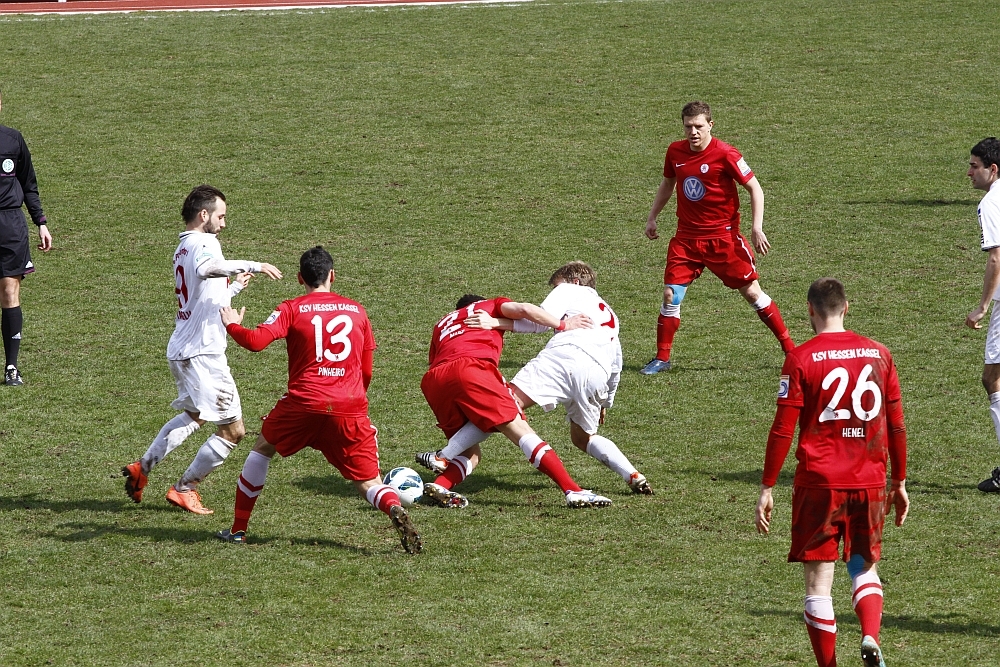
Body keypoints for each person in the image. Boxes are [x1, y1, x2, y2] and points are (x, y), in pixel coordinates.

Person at [213, 246, 421, 554]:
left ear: (300, 279)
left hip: (303, 403)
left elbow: (256, 342)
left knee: (262, 449)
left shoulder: (291, 308)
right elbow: (366, 371)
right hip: (349, 406)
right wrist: (352, 401)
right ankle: (392, 504)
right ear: (332, 276)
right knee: (366, 481)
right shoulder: (357, 311)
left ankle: (239, 531)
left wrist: (231, 323)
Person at [755, 278, 908, 667]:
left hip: (819, 483)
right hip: (870, 481)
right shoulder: (880, 353)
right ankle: (870, 636)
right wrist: (900, 481)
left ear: (810, 310)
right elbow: (896, 425)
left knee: (818, 584)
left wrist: (767, 486)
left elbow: (782, 429)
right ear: (847, 307)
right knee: (863, 565)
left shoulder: (801, 358)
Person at [419, 262, 651, 495]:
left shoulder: (569, 289)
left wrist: (498, 322)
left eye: (556, 285)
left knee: (507, 404)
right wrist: (605, 402)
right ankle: (633, 475)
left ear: (575, 281)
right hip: (598, 372)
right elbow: (616, 363)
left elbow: (537, 321)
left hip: (565, 355)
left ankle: (443, 456)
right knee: (584, 438)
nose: (554, 289)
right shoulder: (610, 314)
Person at [122, 185, 282, 515]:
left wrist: (234, 288)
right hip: (203, 355)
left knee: (195, 415)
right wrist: (253, 263)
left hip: (183, 348)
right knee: (233, 430)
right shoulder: (205, 242)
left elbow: (202, 296)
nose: (223, 224)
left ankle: (143, 467)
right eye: (221, 216)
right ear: (204, 215)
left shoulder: (183, 247)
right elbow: (207, 270)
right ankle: (185, 488)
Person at [417, 293, 612, 509]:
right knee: (520, 429)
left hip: (435, 381)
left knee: (470, 453)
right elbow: (525, 310)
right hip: (471, 368)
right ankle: (573, 490)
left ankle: (440, 485)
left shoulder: (441, 324)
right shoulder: (489, 305)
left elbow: (435, 359)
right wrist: (564, 324)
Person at [641, 100, 794, 375]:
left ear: (710, 125)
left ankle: (791, 350)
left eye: (699, 126)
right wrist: (652, 216)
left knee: (752, 293)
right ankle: (662, 358)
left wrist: (756, 227)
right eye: (688, 126)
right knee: (669, 295)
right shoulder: (675, 151)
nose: (693, 132)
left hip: (723, 240)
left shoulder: (726, 154)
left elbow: (755, 188)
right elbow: (668, 183)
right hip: (686, 240)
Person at [0, 89, 53, 386]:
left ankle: (11, 367)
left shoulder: (12, 140)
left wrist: (40, 222)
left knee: (9, 292)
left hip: (9, 224)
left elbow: (28, 182)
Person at [964, 137, 1000, 493]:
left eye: (975, 166)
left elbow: (996, 259)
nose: (969, 172)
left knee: (993, 378)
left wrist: (982, 307)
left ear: (993, 170)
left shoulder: (990, 204)